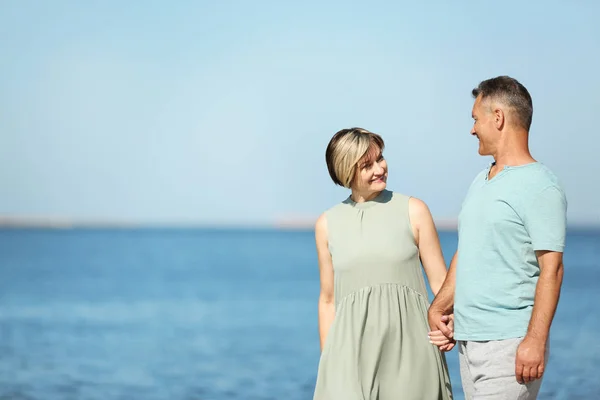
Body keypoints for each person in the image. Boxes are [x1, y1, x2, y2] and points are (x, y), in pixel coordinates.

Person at [428, 76, 567, 399]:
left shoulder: (540, 186)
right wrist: (441, 306)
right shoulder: (481, 181)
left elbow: (553, 269)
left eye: (476, 119)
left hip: (509, 345)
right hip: (468, 341)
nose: (472, 129)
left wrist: (535, 340)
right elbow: (469, 252)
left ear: (498, 118)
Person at [312, 127, 453, 400]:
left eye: (380, 159)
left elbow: (441, 284)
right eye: (367, 165)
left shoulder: (414, 210)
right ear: (346, 171)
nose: (380, 169)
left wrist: (452, 324)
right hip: (349, 354)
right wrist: (328, 362)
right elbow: (328, 301)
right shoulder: (326, 224)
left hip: (412, 351)